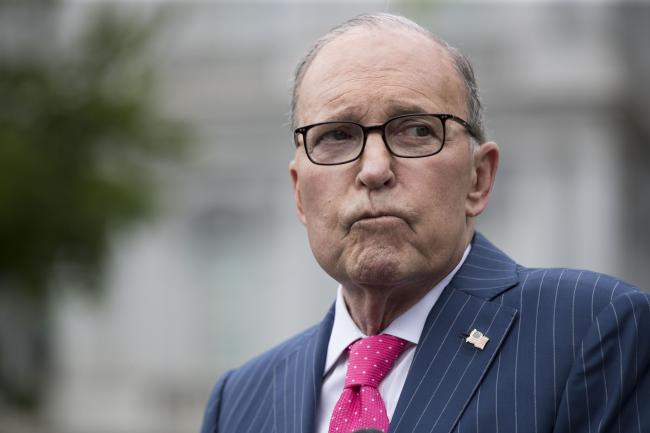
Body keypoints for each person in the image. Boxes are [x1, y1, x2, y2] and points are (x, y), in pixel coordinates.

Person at [200, 13, 650, 433]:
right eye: (336, 135)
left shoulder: (593, 329)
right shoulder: (239, 400)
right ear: (299, 192)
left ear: (479, 177)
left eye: (416, 130)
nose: (374, 169)